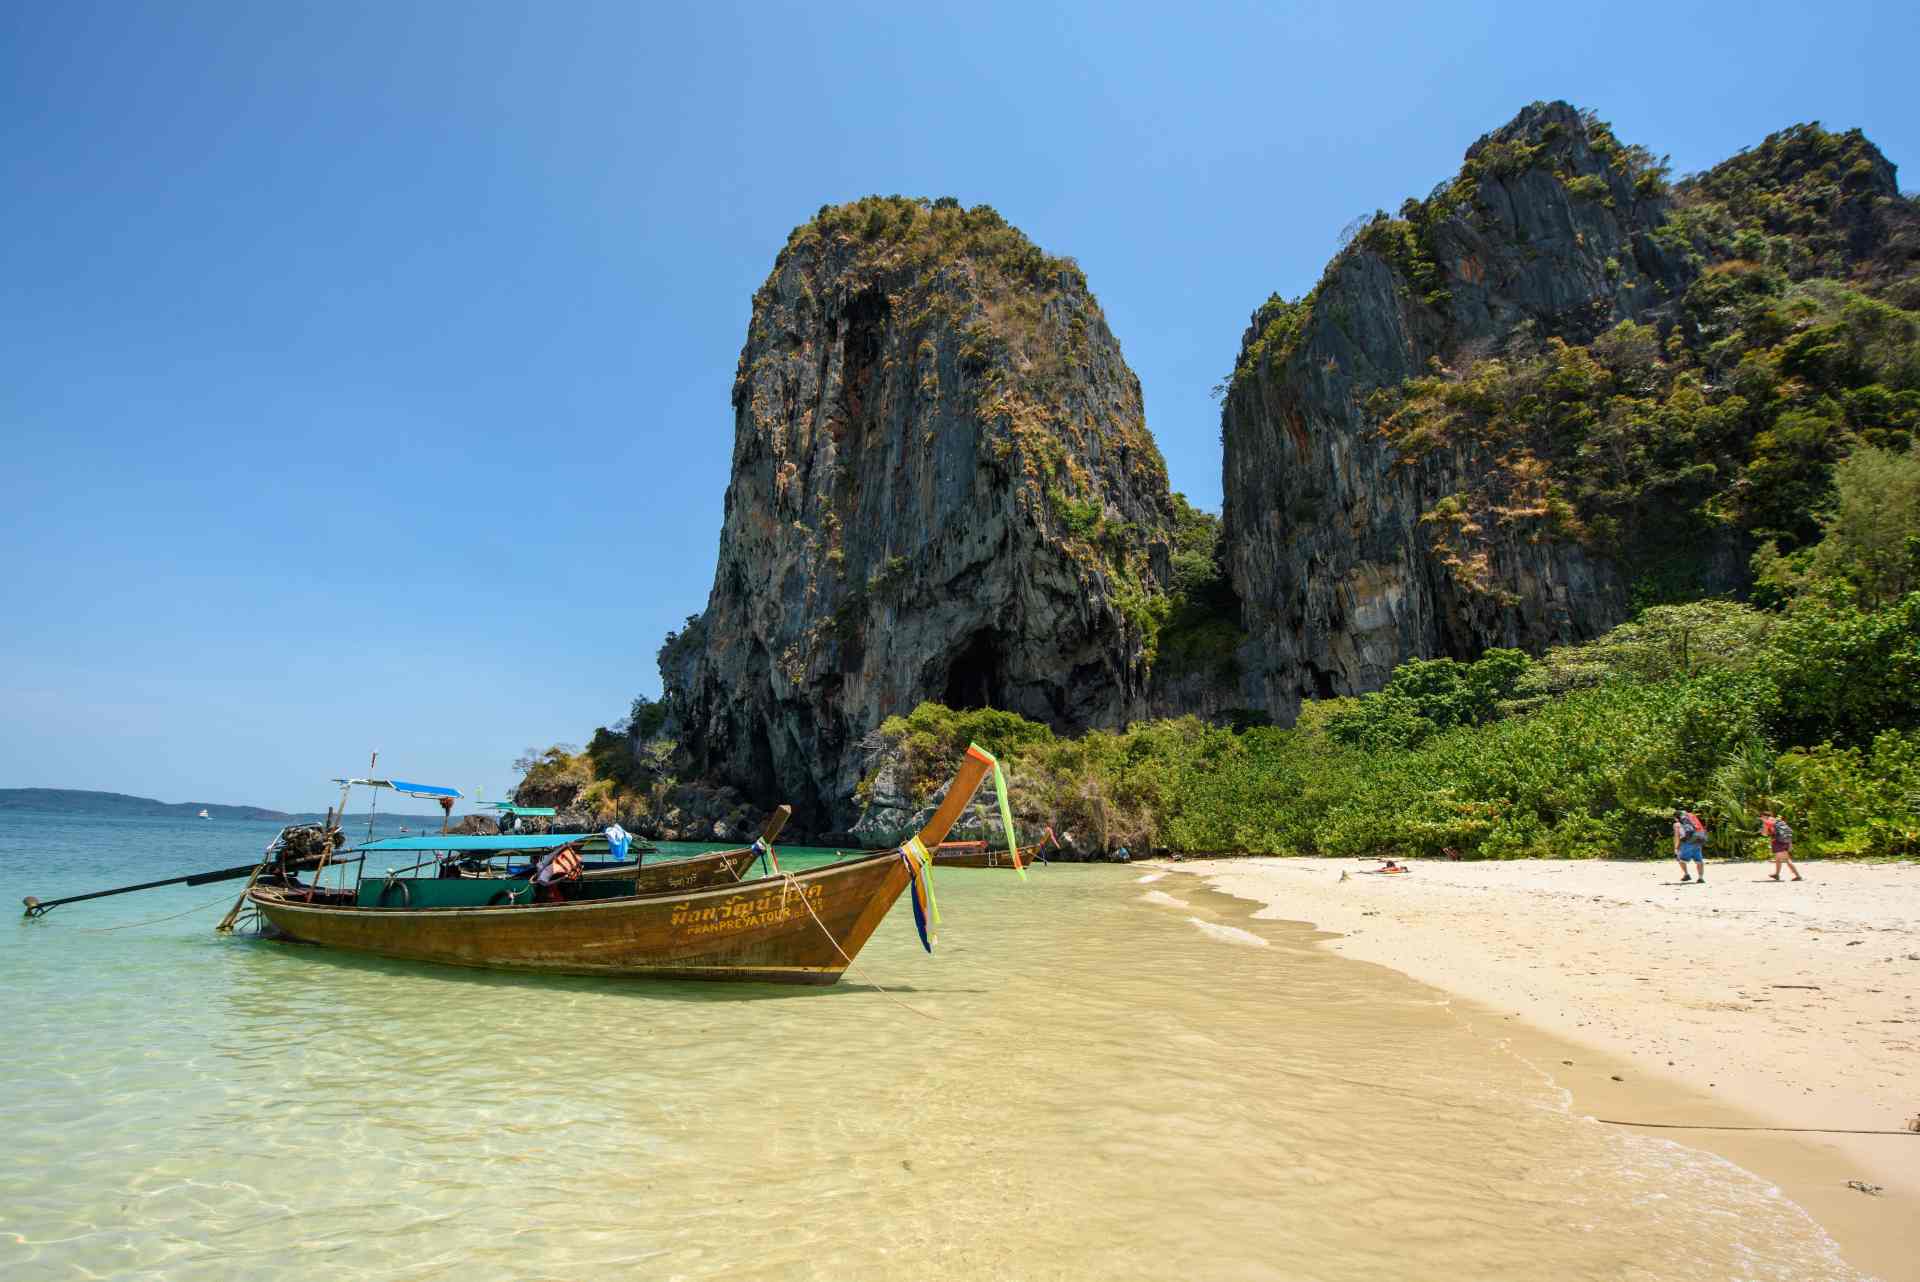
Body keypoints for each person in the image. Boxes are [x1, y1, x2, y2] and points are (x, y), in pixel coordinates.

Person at [1759, 810, 1802, 881]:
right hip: (1785, 841)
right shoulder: (1778, 821)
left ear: (1764, 816)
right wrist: (1790, 843)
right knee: (1778, 859)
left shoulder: (1767, 822)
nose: (1761, 819)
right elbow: (1788, 831)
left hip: (1778, 842)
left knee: (1787, 859)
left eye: (1761, 817)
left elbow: (1764, 834)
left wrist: (1763, 828)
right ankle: (1777, 874)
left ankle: (1798, 876)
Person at [1672, 806, 1708, 883]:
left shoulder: (1677, 824)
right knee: (1699, 860)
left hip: (1688, 842)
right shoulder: (1692, 821)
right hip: (1698, 840)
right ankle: (1700, 878)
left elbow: (1677, 837)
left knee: (1680, 859)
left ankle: (1686, 874)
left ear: (1676, 817)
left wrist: (1676, 848)